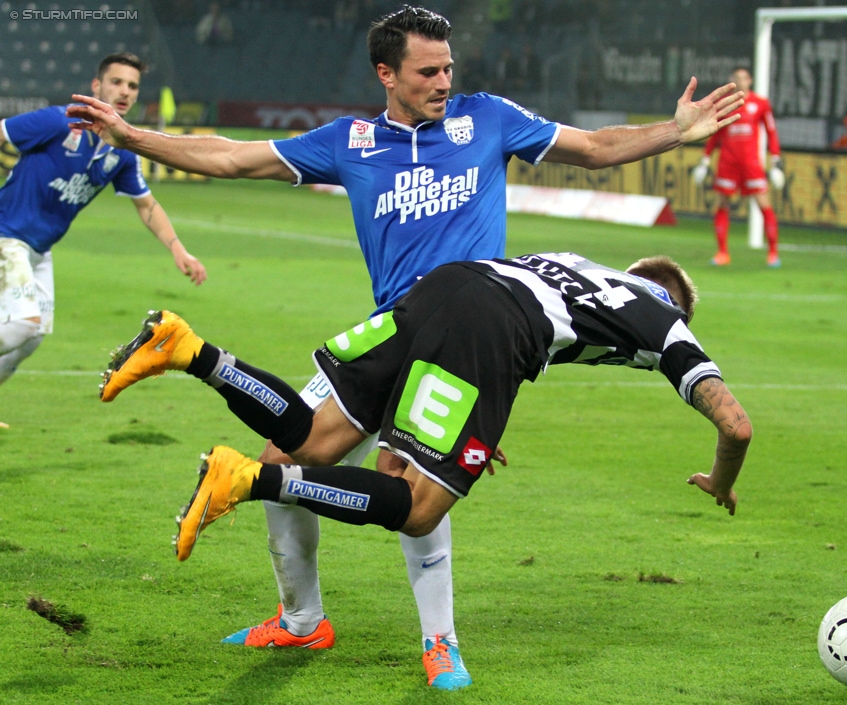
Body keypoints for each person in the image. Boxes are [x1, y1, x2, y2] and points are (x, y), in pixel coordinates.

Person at [66, 5, 743, 689]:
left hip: (464, 340)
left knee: (414, 489)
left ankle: (440, 643)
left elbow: (596, 148)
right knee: (288, 457)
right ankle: (302, 620)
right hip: (389, 329)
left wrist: (675, 133)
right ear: (386, 74)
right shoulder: (350, 141)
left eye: (449, 67)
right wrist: (131, 136)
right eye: (428, 71)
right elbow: (233, 156)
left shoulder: (488, 119)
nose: (444, 81)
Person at [98, 251, 751, 685]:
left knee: (316, 437)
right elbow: (736, 424)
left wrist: (472, 410)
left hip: (443, 285)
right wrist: (721, 478)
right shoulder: (667, 321)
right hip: (491, 328)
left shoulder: (573, 263)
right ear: (676, 303)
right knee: (416, 507)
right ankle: (246, 479)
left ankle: (189, 348)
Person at [0, 52, 206, 428]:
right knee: (24, 323)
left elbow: (146, 206)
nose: (124, 91)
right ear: (97, 86)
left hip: (40, 250)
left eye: (132, 86)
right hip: (5, 236)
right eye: (116, 82)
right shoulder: (57, 120)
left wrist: (179, 248)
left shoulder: (121, 152)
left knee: (31, 338)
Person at [692, 67, 783, 268]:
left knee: (764, 205)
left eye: (744, 78)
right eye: (736, 78)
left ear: (750, 80)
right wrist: (705, 160)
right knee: (722, 204)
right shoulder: (726, 105)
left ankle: (773, 253)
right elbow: (715, 133)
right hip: (728, 163)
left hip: (752, 164)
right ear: (731, 80)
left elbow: (772, 131)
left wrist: (776, 161)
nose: (741, 81)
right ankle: (722, 252)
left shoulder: (761, 104)